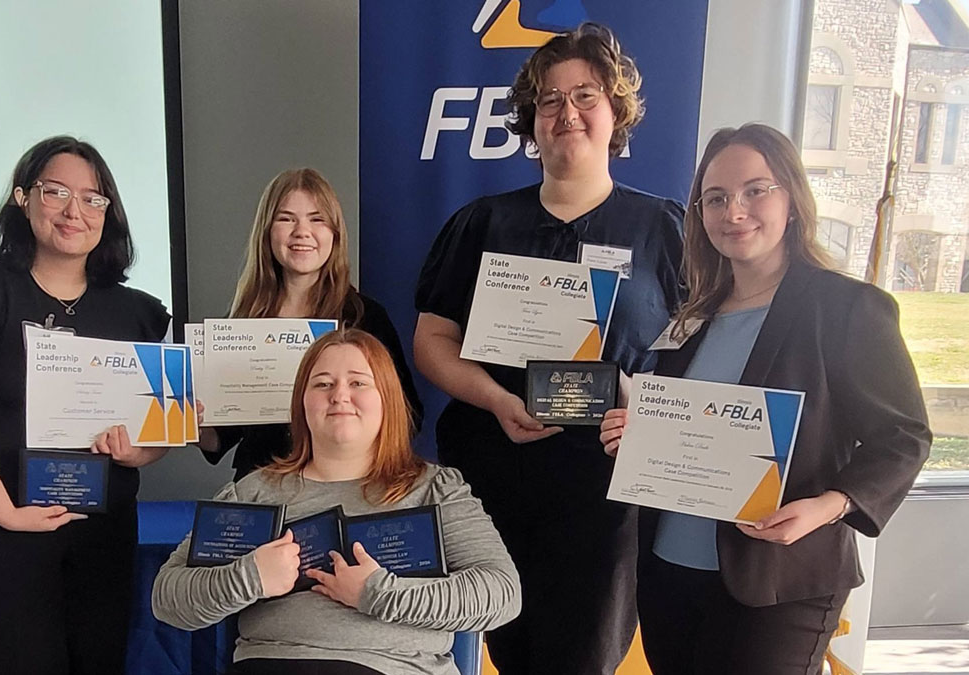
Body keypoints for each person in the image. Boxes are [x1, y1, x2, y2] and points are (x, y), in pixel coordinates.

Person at [599, 123, 931, 674]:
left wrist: (829, 507)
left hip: (781, 580)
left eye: (756, 190)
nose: (735, 211)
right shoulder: (692, 316)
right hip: (669, 571)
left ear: (793, 199)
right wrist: (636, 436)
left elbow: (904, 437)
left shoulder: (847, 308)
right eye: (717, 198)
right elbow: (684, 428)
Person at [412, 22, 683, 674]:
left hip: (608, 492)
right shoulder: (482, 224)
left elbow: (695, 356)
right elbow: (432, 341)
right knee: (508, 648)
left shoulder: (662, 229)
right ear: (531, 121)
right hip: (497, 480)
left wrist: (643, 402)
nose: (567, 113)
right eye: (550, 100)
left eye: (585, 95)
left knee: (584, 656)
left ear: (616, 110)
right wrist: (500, 399)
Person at [0, 136, 172, 674]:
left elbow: (160, 431)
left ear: (110, 212)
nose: (73, 210)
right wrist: (9, 515)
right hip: (3, 526)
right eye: (55, 192)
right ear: (22, 198)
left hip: (101, 530)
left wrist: (137, 453)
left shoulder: (139, 315)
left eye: (92, 198)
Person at [153, 329, 520, 675]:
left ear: (387, 399)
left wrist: (376, 593)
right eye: (323, 384)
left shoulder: (437, 489)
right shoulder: (253, 491)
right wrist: (250, 577)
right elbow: (168, 598)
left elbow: (501, 593)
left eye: (358, 383)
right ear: (302, 403)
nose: (339, 395)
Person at [198, 168, 423, 479]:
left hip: (348, 485)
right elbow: (218, 438)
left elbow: (407, 415)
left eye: (317, 219)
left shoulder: (366, 319)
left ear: (335, 233)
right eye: (286, 218)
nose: (301, 231)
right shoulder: (239, 324)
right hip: (263, 483)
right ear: (267, 232)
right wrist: (189, 420)